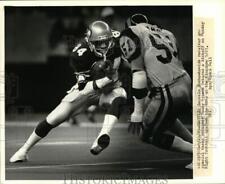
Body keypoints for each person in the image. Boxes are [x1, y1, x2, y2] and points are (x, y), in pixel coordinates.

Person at [10, 21, 127, 162]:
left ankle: (103, 135)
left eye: (105, 42)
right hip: (89, 88)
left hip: (110, 88)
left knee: (121, 95)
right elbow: (84, 87)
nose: (103, 46)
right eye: (98, 43)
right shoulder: (79, 54)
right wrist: (106, 78)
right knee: (53, 118)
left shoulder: (119, 40)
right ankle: (23, 150)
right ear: (89, 41)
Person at [119, 15, 193, 169]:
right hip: (184, 81)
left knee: (147, 134)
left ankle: (201, 153)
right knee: (167, 118)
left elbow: (139, 74)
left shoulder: (132, 32)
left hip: (167, 88)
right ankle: (198, 146)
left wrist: (137, 112)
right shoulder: (167, 33)